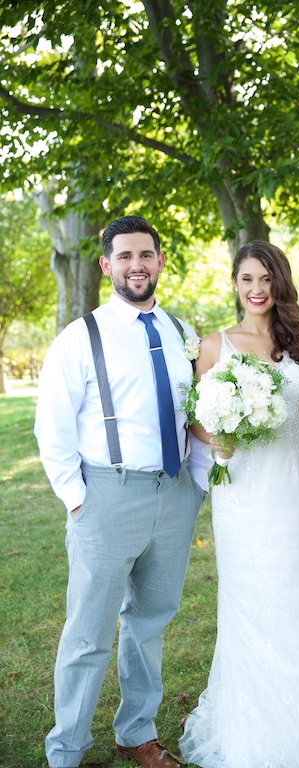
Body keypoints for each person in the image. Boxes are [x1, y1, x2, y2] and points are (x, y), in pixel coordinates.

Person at [178, 240, 299, 768]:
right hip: (243, 493)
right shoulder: (215, 344)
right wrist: (215, 437)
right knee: (250, 597)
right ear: (235, 283)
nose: (257, 290)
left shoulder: (298, 343)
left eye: (266, 279)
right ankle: (256, 725)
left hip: (296, 488)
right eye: (247, 279)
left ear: (280, 282)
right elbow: (195, 415)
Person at [35, 215, 211, 768]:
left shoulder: (182, 334)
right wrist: (77, 498)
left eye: (147, 255)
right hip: (106, 496)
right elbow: (52, 425)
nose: (138, 265)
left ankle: (137, 734)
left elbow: (197, 416)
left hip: (174, 493)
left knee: (150, 623)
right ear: (107, 265)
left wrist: (197, 485)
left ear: (161, 262)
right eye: (125, 257)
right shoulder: (80, 336)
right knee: (87, 634)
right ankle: (66, 749)